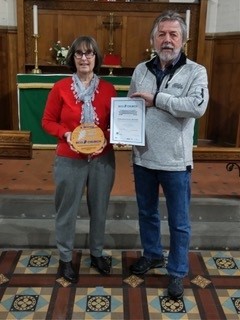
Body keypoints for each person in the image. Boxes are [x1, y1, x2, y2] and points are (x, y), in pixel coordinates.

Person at [128, 10, 209, 299]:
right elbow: (130, 108)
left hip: (175, 161)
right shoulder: (141, 70)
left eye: (173, 34)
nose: (167, 39)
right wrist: (124, 131)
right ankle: (152, 254)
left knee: (179, 221)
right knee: (147, 213)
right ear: (153, 39)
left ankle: (176, 271)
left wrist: (158, 99)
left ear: (183, 40)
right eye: (161, 34)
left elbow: (196, 106)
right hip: (142, 158)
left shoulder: (195, 71)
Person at [42, 36, 117, 282]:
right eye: (79, 54)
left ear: (96, 57)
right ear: (72, 58)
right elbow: (48, 121)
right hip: (69, 159)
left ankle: (96, 253)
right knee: (66, 210)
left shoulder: (108, 89)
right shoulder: (60, 88)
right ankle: (65, 259)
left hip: (101, 160)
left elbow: (114, 125)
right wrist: (65, 133)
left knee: (99, 209)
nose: (84, 58)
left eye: (89, 53)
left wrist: (107, 137)